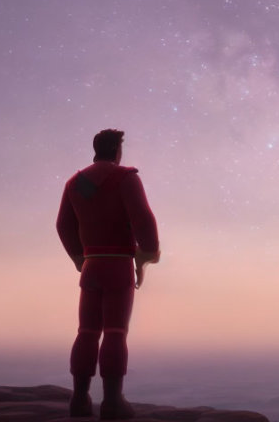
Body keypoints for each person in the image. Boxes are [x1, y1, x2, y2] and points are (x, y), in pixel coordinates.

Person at [56, 129, 161, 420]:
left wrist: (79, 257)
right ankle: (113, 402)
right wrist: (147, 254)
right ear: (116, 150)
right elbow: (143, 217)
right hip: (118, 264)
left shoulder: (75, 183)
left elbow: (63, 225)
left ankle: (79, 400)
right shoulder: (125, 178)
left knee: (87, 331)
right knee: (115, 331)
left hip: (91, 265)